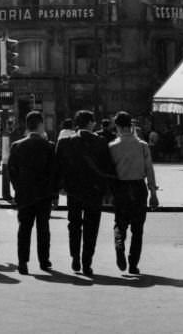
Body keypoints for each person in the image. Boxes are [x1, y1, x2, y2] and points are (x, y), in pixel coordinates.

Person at [55, 110, 112, 275]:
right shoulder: (101, 142)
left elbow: (58, 166)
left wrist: (60, 187)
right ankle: (87, 262)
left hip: (73, 190)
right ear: (90, 123)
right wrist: (107, 190)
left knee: (74, 225)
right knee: (91, 227)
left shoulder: (66, 142)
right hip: (94, 191)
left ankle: (75, 257)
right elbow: (107, 167)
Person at [108, 111, 159, 275]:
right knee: (138, 229)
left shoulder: (112, 147)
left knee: (120, 223)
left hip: (120, 188)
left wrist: (108, 193)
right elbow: (149, 170)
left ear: (117, 126)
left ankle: (119, 245)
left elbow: (109, 172)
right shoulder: (142, 145)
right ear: (131, 126)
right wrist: (153, 192)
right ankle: (133, 264)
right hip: (138, 188)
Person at [7, 111, 56, 274]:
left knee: (24, 228)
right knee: (43, 227)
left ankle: (23, 261)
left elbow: (11, 171)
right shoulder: (48, 146)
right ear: (41, 125)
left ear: (27, 126)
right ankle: (44, 260)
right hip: (43, 194)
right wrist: (53, 191)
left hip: (24, 193)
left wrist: (17, 188)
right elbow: (53, 171)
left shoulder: (17, 146)